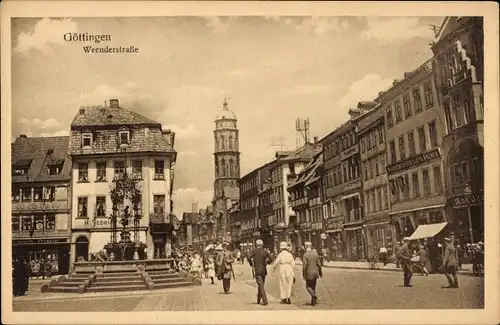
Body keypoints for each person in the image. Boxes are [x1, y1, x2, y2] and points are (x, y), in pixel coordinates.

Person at [249, 239, 272, 306]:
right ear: (262, 245)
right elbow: (271, 258)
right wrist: (267, 262)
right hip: (264, 271)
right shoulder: (265, 251)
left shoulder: (254, 251)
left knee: (260, 285)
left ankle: (265, 300)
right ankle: (258, 300)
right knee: (261, 285)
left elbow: (248, 257)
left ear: (256, 245)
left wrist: (251, 264)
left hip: (257, 271)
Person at [302, 241, 323, 306]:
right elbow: (319, 265)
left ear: (305, 247)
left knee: (308, 287)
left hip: (309, 273)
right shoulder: (315, 254)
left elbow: (304, 266)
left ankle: (314, 296)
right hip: (315, 273)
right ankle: (313, 302)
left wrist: (303, 274)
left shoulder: (305, 255)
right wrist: (320, 273)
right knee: (313, 287)